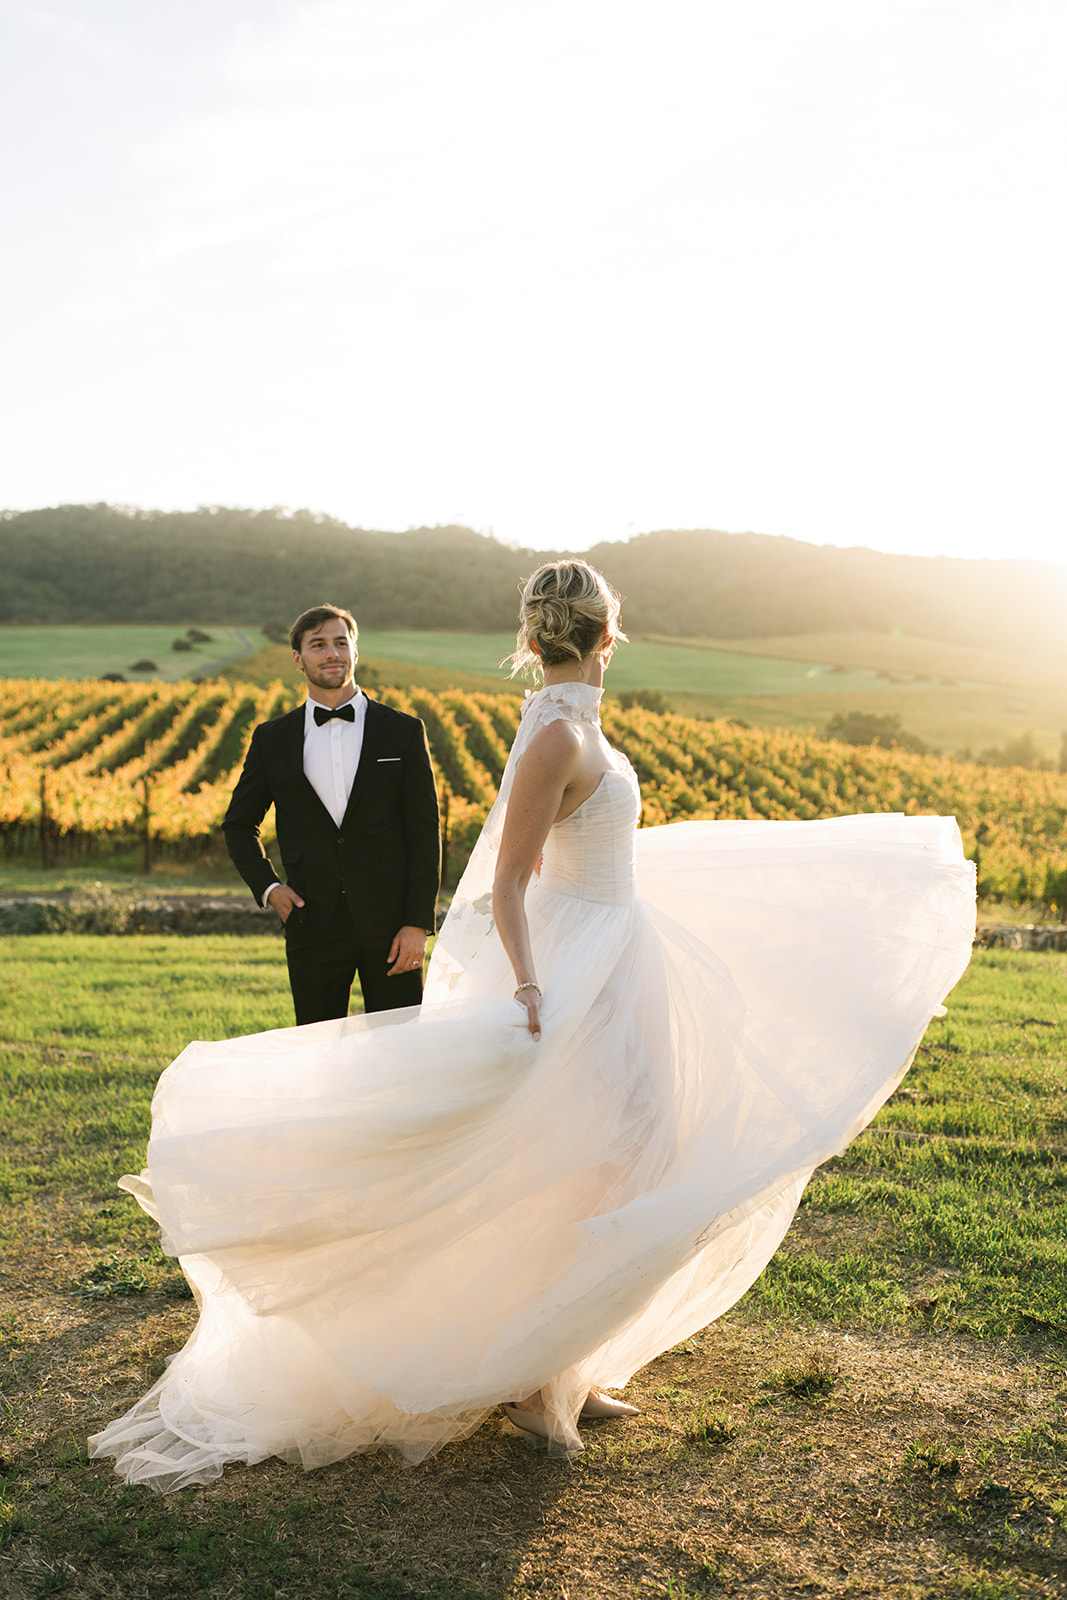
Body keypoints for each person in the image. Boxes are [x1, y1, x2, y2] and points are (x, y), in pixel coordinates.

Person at [90, 561, 976, 1489]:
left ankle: (560, 1365)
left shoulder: (573, 719)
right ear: (601, 634)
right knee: (605, 1162)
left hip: (621, 950)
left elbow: (592, 847)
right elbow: (511, 877)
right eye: (614, 627)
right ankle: (536, 1374)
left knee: (615, 1161)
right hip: (569, 971)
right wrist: (526, 983)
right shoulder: (555, 729)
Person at [223, 604, 440, 1023]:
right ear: (298, 659)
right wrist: (269, 888)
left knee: (401, 1055)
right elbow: (238, 824)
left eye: (341, 642)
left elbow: (424, 832)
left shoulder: (403, 731)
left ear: (356, 652)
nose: (332, 653)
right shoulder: (272, 740)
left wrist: (417, 923)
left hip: (392, 927)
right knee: (316, 1058)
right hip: (312, 924)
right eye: (318, 645)